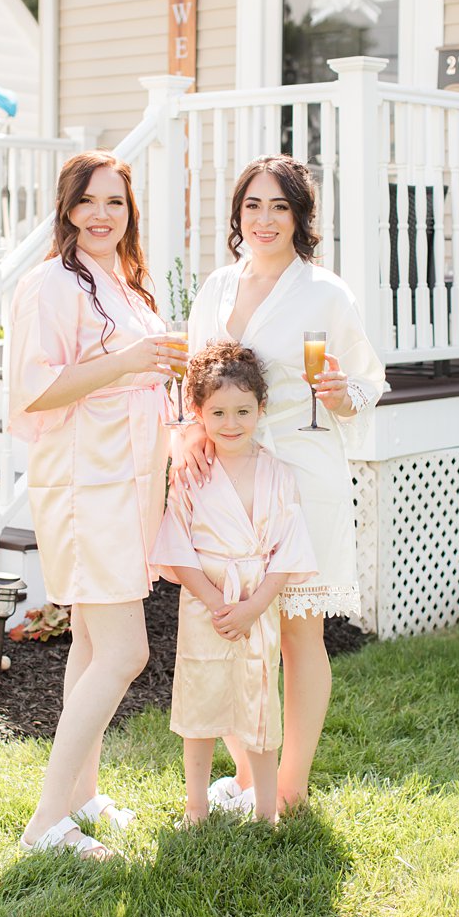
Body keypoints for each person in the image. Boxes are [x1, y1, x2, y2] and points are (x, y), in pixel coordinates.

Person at [176, 154, 388, 813]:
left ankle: (289, 788)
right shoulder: (214, 288)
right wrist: (186, 448)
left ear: (300, 217)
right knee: (233, 626)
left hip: (300, 471)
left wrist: (343, 395)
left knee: (299, 632)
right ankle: (246, 776)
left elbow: (367, 381)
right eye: (252, 206)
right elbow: (193, 379)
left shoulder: (326, 292)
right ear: (238, 215)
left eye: (279, 207)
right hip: (222, 480)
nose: (264, 219)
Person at [8, 150, 185, 859]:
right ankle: (46, 821)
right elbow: (35, 388)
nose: (102, 214)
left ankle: (81, 798)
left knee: (88, 642)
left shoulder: (122, 281)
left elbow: (144, 369)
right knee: (124, 651)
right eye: (90, 200)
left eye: (116, 202)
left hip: (129, 483)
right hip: (88, 487)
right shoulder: (49, 284)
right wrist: (129, 362)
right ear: (67, 206)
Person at [152, 341, 317, 826]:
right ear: (197, 413)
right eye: (218, 412)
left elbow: (289, 550)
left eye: (243, 411)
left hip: (256, 605)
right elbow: (176, 547)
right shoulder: (191, 475)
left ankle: (266, 811)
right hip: (206, 604)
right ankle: (196, 806)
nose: (230, 423)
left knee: (260, 705)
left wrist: (254, 605)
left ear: (261, 410)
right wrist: (213, 603)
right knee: (200, 702)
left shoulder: (276, 474)